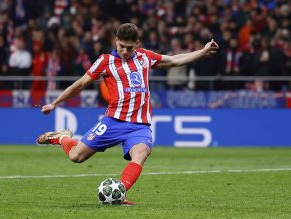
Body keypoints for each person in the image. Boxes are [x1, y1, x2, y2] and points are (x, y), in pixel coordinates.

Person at [36, 23, 219, 205]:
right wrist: (54, 103)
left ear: (137, 44)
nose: (124, 51)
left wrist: (202, 52)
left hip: (139, 125)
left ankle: (119, 193)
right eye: (121, 46)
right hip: (113, 121)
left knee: (141, 153)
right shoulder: (105, 61)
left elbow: (173, 60)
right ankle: (61, 138)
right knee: (76, 156)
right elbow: (80, 84)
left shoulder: (144, 57)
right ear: (115, 41)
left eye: (129, 48)